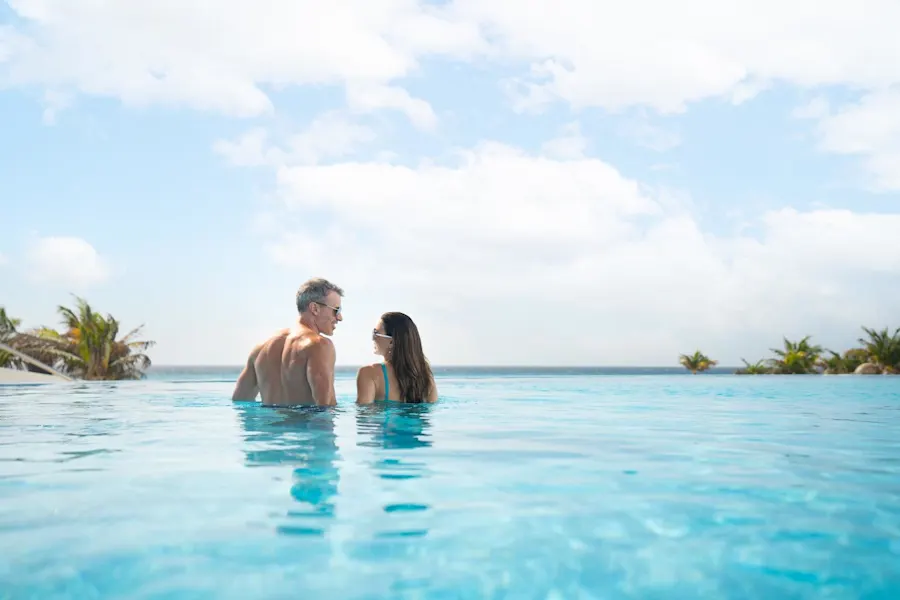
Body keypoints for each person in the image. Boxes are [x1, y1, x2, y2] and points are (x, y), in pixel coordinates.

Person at [232, 277, 343, 406]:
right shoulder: (319, 345)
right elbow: (326, 407)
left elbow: (240, 401)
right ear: (315, 308)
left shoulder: (260, 349)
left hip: (267, 425)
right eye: (336, 310)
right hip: (305, 425)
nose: (340, 318)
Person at [356, 312, 438, 404]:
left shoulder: (368, 373)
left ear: (391, 342)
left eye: (375, 333)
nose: (373, 338)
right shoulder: (426, 377)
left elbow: (364, 415)